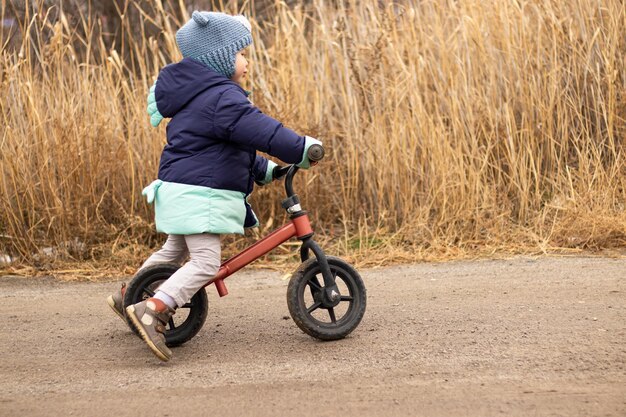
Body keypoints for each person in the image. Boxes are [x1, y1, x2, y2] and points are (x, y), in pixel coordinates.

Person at [106, 11, 320, 362]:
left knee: (172, 253)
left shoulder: (200, 98)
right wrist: (300, 149)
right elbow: (263, 131)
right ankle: (153, 308)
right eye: (240, 53)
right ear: (219, 58)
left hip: (178, 189)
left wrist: (265, 171)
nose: (247, 61)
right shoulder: (224, 98)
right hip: (199, 193)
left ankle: (129, 294)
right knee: (205, 263)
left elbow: (226, 148)